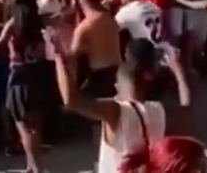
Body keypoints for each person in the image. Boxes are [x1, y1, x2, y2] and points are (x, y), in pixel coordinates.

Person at [52, 36, 178, 173]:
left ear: (123, 83)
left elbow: (71, 101)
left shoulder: (116, 112)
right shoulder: (159, 110)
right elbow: (186, 110)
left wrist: (60, 61)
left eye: (116, 84)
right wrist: (178, 73)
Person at [0, 0, 47, 173]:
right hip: (39, 74)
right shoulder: (39, 23)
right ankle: (32, 166)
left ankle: (36, 166)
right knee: (35, 124)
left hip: (19, 75)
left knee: (23, 126)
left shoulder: (13, 24)